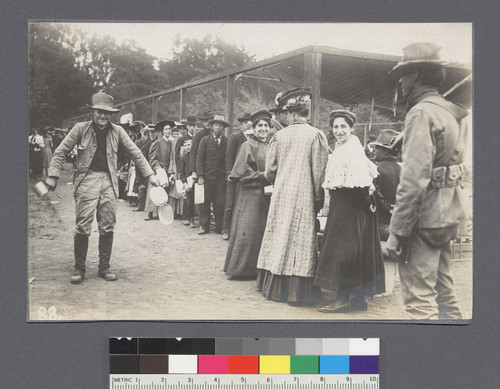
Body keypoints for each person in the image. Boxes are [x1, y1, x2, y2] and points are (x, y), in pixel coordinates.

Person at [386, 42, 470, 320]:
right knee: (444, 293)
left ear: (418, 75)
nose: (400, 81)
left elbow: (413, 181)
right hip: (448, 216)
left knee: (419, 301)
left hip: (423, 221)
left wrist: (397, 232)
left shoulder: (421, 113)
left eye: (404, 74)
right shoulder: (452, 112)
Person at [46, 93, 159, 284]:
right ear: (93, 112)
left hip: (109, 181)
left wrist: (150, 175)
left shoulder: (118, 131)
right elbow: (60, 152)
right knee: (83, 226)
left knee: (108, 225)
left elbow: (136, 153)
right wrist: (52, 175)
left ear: (111, 115)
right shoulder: (80, 129)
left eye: (107, 113)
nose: (103, 116)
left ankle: (104, 268)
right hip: (86, 180)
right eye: (100, 112)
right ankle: (79, 268)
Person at [256, 87, 329, 304]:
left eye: (287, 114)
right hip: (305, 196)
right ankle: (297, 292)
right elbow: (319, 173)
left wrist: (280, 183)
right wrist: (318, 199)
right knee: (301, 241)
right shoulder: (316, 135)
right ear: (306, 113)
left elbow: (270, 171)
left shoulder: (278, 136)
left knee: (278, 236)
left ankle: (272, 286)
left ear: (292, 113)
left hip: (281, 195)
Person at [313, 109, 385, 313]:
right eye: (335, 127)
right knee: (350, 251)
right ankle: (356, 298)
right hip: (344, 206)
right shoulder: (341, 148)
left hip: (350, 207)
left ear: (352, 128)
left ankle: (345, 298)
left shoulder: (352, 149)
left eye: (343, 126)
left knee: (345, 251)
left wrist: (360, 208)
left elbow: (362, 183)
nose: (339, 131)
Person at [224, 110, 271, 278]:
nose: (263, 129)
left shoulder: (272, 145)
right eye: (260, 126)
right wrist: (263, 176)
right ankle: (242, 269)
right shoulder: (247, 145)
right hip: (251, 193)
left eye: (266, 126)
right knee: (249, 228)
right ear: (254, 128)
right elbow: (241, 172)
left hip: (267, 194)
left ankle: (260, 268)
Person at [222, 112, 253, 240]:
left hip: (247, 176)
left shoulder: (254, 138)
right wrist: (230, 173)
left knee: (244, 204)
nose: (247, 124)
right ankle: (226, 229)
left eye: (249, 122)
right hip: (234, 175)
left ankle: (240, 231)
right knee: (230, 204)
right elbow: (229, 157)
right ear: (241, 124)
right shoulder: (235, 137)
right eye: (245, 122)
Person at [196, 115, 228, 235]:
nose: (218, 128)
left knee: (219, 203)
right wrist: (200, 176)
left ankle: (219, 226)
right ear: (212, 127)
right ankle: (204, 226)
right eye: (216, 125)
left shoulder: (226, 141)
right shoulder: (205, 140)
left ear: (224, 128)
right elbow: (199, 159)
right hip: (207, 177)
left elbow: (227, 159)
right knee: (206, 202)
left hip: (220, 177)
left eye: (221, 126)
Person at [175, 115, 197, 225]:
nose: (192, 128)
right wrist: (181, 173)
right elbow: (178, 157)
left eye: (194, 126)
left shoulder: (197, 138)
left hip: (195, 171)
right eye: (190, 126)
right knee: (187, 195)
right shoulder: (181, 139)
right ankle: (188, 216)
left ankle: (193, 217)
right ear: (187, 126)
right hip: (185, 170)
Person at [178, 138, 195, 227]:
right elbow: (181, 172)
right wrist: (184, 183)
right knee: (189, 200)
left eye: (188, 145)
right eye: (185, 146)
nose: (187, 147)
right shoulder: (184, 157)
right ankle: (190, 218)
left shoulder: (197, 155)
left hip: (196, 180)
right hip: (188, 181)